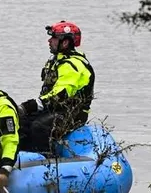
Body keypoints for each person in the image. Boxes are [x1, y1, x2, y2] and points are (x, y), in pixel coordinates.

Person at [19, 20, 95, 155]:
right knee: (22, 121)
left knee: (39, 126)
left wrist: (32, 105)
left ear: (65, 42)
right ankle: (21, 155)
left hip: (72, 114)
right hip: (55, 109)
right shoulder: (55, 61)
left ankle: (45, 157)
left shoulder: (73, 65)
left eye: (53, 38)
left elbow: (59, 95)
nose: (49, 41)